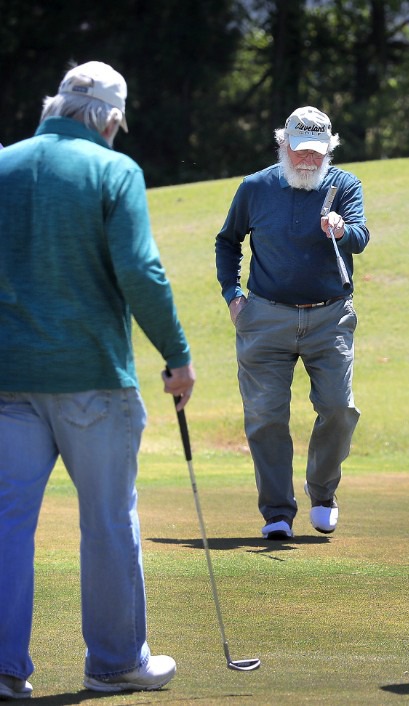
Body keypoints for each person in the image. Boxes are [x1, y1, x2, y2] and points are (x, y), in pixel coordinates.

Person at [0, 61, 194, 697]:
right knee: (108, 522)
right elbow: (141, 273)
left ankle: (2, 670)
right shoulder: (115, 170)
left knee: (5, 524)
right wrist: (177, 355)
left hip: (9, 380)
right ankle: (114, 663)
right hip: (92, 379)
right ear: (111, 119)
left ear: (56, 104)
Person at [215, 106, 369, 540]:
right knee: (265, 417)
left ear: (329, 150)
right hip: (265, 316)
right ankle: (277, 512)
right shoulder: (255, 187)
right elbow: (228, 242)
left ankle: (322, 493)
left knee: (340, 409)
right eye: (300, 151)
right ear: (283, 144)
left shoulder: (344, 186)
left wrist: (341, 230)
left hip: (329, 316)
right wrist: (233, 296)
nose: (307, 161)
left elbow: (360, 236)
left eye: (317, 153)